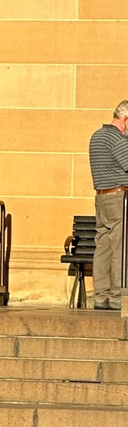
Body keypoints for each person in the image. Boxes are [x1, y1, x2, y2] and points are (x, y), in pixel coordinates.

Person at [88, 100, 128, 310]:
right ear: (125, 120)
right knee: (119, 246)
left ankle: (100, 295)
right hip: (118, 197)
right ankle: (116, 295)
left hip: (102, 197)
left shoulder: (97, 136)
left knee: (103, 245)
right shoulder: (116, 138)